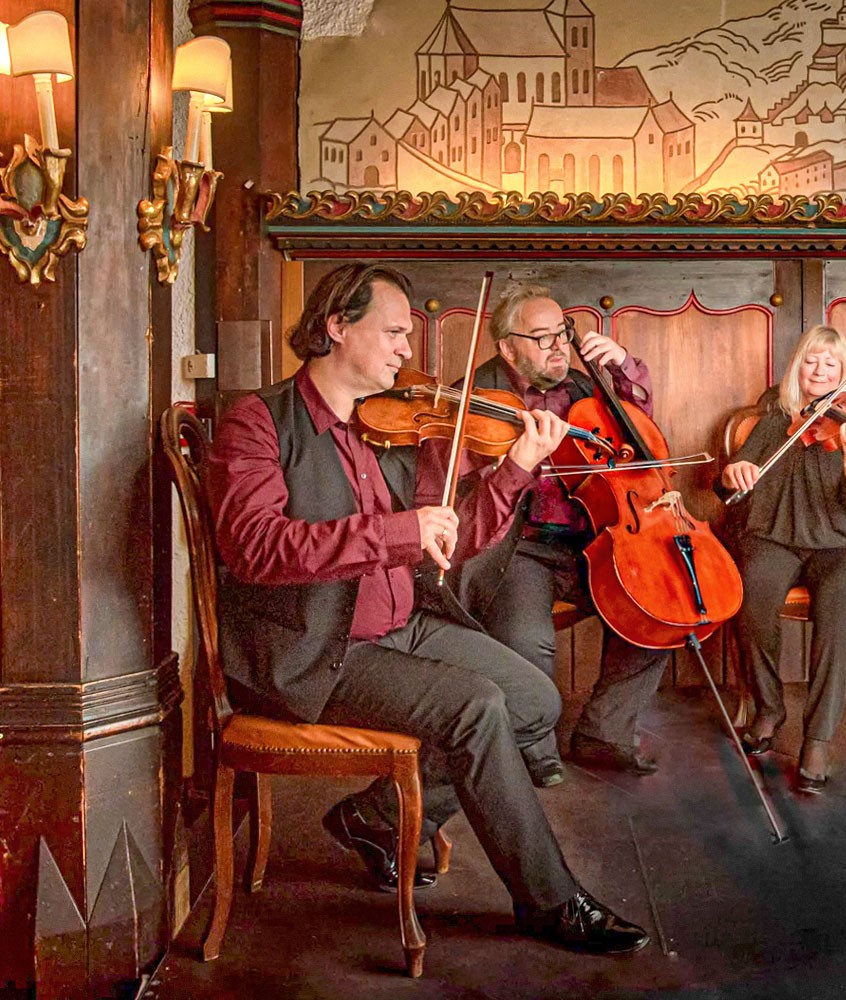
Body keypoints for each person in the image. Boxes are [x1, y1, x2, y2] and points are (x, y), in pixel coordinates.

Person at [206, 262, 648, 953]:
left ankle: (375, 819)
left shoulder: (386, 430)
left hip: (400, 625)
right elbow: (255, 549)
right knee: (476, 707)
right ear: (336, 327)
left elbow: (450, 540)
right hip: (316, 650)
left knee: (534, 700)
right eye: (392, 333)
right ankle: (550, 902)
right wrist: (395, 533)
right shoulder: (257, 423)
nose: (407, 350)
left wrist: (516, 469)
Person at [419, 284, 671, 779]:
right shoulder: (470, 398)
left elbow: (638, 437)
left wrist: (621, 366)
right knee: (528, 640)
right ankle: (532, 747)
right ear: (507, 347)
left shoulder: (583, 387)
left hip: (591, 542)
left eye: (563, 333)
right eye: (542, 338)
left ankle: (605, 731)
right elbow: (445, 495)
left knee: (657, 612)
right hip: (521, 549)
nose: (559, 346)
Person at [720, 326, 846, 793]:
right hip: (777, 536)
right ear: (798, 367)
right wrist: (735, 471)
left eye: (831, 364)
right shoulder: (777, 420)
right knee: (752, 593)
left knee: (838, 605)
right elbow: (735, 479)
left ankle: (818, 736)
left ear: (844, 371)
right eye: (811, 362)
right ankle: (768, 708)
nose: (820, 371)